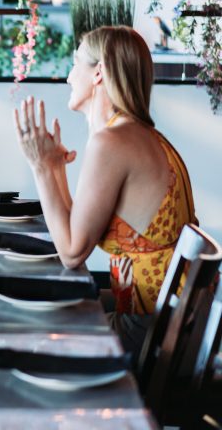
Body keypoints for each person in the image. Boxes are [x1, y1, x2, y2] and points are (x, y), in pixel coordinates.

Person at [14, 26, 196, 353]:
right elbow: (76, 231)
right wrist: (54, 167)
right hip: (169, 323)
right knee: (50, 304)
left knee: (31, 329)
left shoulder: (112, 142)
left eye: (75, 64)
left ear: (98, 72)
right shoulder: (141, 136)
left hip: (149, 335)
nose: (69, 77)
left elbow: (71, 253)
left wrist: (39, 166)